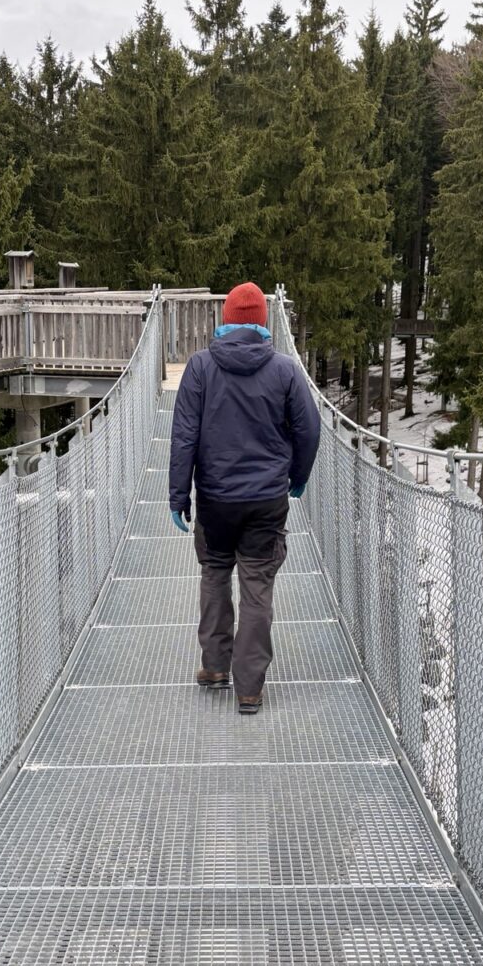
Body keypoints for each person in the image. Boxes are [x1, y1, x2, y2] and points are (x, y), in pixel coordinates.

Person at [169, 281, 320, 715]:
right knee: (257, 586)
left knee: (215, 574)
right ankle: (249, 688)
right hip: (266, 500)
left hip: (215, 499)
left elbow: (184, 438)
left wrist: (179, 494)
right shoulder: (285, 370)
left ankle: (215, 667)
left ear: (225, 321)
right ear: (262, 325)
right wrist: (298, 477)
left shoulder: (199, 368)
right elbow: (309, 430)